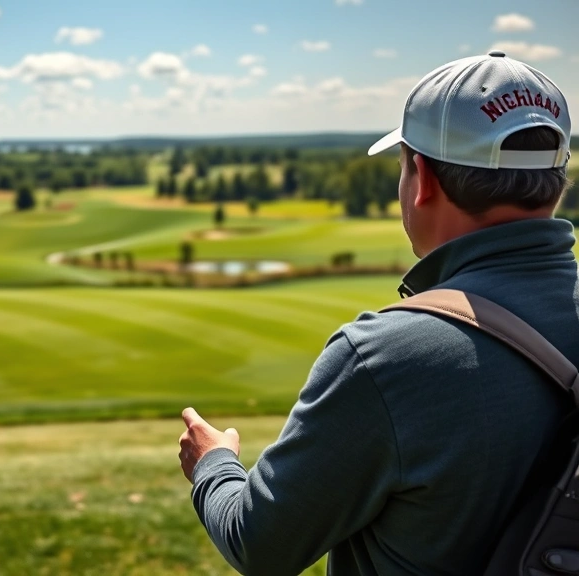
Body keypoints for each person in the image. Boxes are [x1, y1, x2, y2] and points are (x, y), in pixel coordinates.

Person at [178, 51, 577, 575]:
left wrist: (213, 464)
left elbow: (261, 545)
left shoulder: (384, 357)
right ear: (556, 178)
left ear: (424, 178)